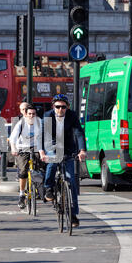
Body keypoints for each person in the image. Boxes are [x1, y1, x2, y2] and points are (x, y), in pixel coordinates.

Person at [41, 94, 86, 228]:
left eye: (63, 107)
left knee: (71, 181)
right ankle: (48, 188)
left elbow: (78, 133)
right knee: (53, 162)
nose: (60, 109)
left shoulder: (72, 116)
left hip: (68, 147)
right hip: (52, 145)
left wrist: (82, 150)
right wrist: (42, 152)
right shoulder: (48, 116)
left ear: (68, 107)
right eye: (57, 107)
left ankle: (73, 214)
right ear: (53, 107)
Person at [9, 104, 45, 209]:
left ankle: (40, 189)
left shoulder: (40, 123)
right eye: (29, 114)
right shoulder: (21, 123)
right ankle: (21, 194)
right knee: (23, 171)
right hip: (23, 148)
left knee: (43, 167)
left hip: (36, 148)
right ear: (26, 114)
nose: (31, 116)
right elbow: (13, 138)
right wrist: (13, 148)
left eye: (33, 114)